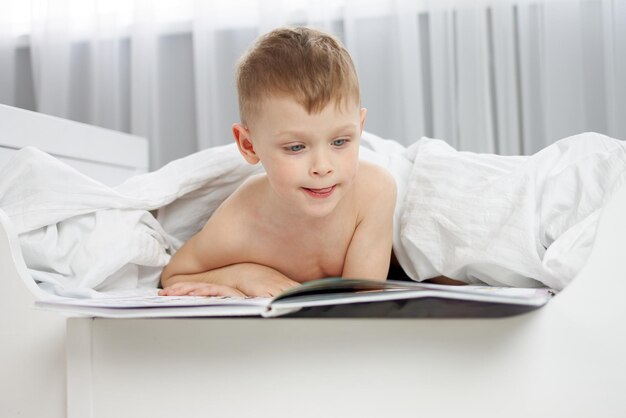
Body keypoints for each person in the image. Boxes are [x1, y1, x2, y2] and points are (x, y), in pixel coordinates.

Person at [158, 26, 397, 297]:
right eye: (296, 147)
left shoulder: (374, 191)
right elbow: (175, 274)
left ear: (360, 127)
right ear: (248, 145)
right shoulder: (243, 219)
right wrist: (244, 274)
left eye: (340, 142)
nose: (322, 166)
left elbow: (363, 299)